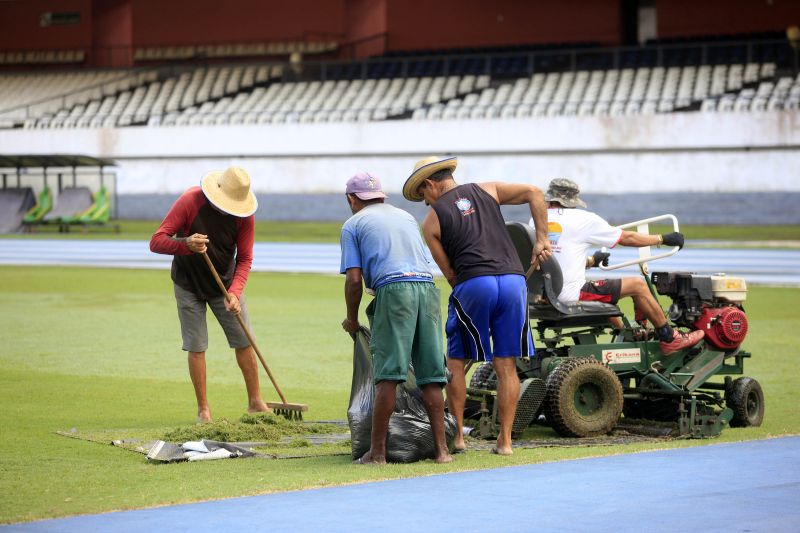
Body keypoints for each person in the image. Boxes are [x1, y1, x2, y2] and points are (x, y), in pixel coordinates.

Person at [405, 156, 552, 456]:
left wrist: (471, 288)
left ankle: (458, 437)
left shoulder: (432, 221)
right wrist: (542, 239)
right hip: (513, 282)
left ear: (430, 184)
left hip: (473, 282)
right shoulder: (490, 190)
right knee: (506, 365)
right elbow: (536, 193)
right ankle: (506, 442)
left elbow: (449, 274)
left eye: (423, 195)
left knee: (456, 363)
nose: (426, 202)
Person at [340, 172, 452, 465]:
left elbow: (354, 280)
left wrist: (351, 318)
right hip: (427, 289)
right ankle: (442, 451)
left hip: (395, 289)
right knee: (430, 375)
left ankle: (377, 453)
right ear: (381, 196)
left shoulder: (353, 224)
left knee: (388, 374)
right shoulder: (405, 217)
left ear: (352, 199)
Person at [150, 166, 270, 423]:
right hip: (188, 284)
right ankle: (203, 410)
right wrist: (186, 244)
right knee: (197, 346)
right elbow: (156, 241)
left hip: (224, 286)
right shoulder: (190, 201)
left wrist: (235, 293)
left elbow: (245, 258)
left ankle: (256, 402)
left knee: (244, 341)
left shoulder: (244, 215)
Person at [535, 178, 705, 354]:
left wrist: (593, 261)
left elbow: (557, 258)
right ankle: (669, 338)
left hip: (545, 295)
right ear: (572, 201)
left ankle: (634, 334)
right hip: (568, 295)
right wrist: (662, 239)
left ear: (550, 199)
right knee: (638, 285)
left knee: (605, 293)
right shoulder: (584, 219)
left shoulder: (537, 220)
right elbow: (626, 238)